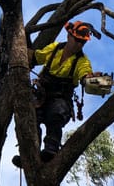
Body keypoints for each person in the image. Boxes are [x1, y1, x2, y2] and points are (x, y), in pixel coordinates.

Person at [13, 20, 101, 166]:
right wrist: (18, 50)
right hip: (41, 96)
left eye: (82, 42)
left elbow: (85, 75)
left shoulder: (82, 61)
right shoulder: (54, 49)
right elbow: (35, 57)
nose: (79, 44)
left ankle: (51, 151)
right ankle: (29, 154)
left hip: (60, 100)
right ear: (69, 36)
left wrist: (90, 78)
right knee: (30, 117)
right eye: (77, 40)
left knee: (56, 114)